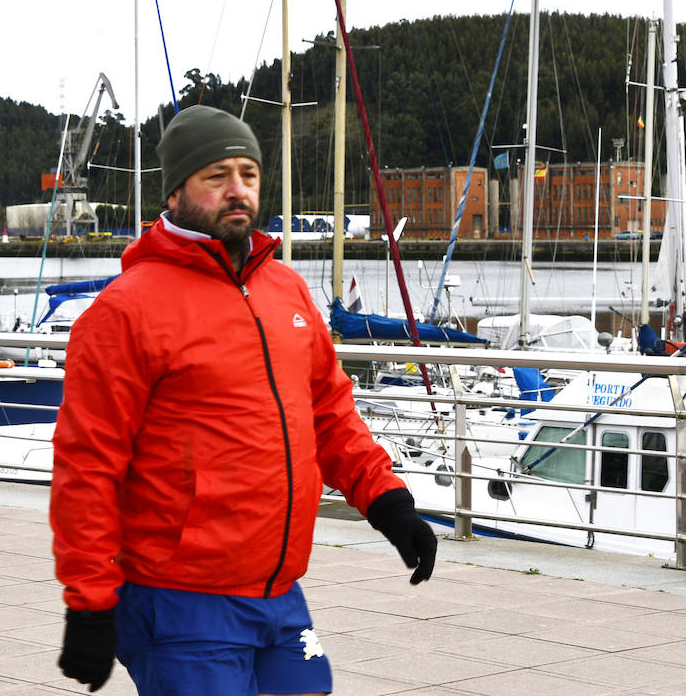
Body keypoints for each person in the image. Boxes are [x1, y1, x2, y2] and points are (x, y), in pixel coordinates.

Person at [51, 104, 437, 694]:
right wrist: (89, 601)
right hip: (179, 601)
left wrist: (388, 503)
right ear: (176, 191)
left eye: (249, 174)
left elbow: (330, 414)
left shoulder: (284, 288)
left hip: (279, 595)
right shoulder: (125, 312)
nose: (238, 190)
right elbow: (88, 466)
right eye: (217, 176)